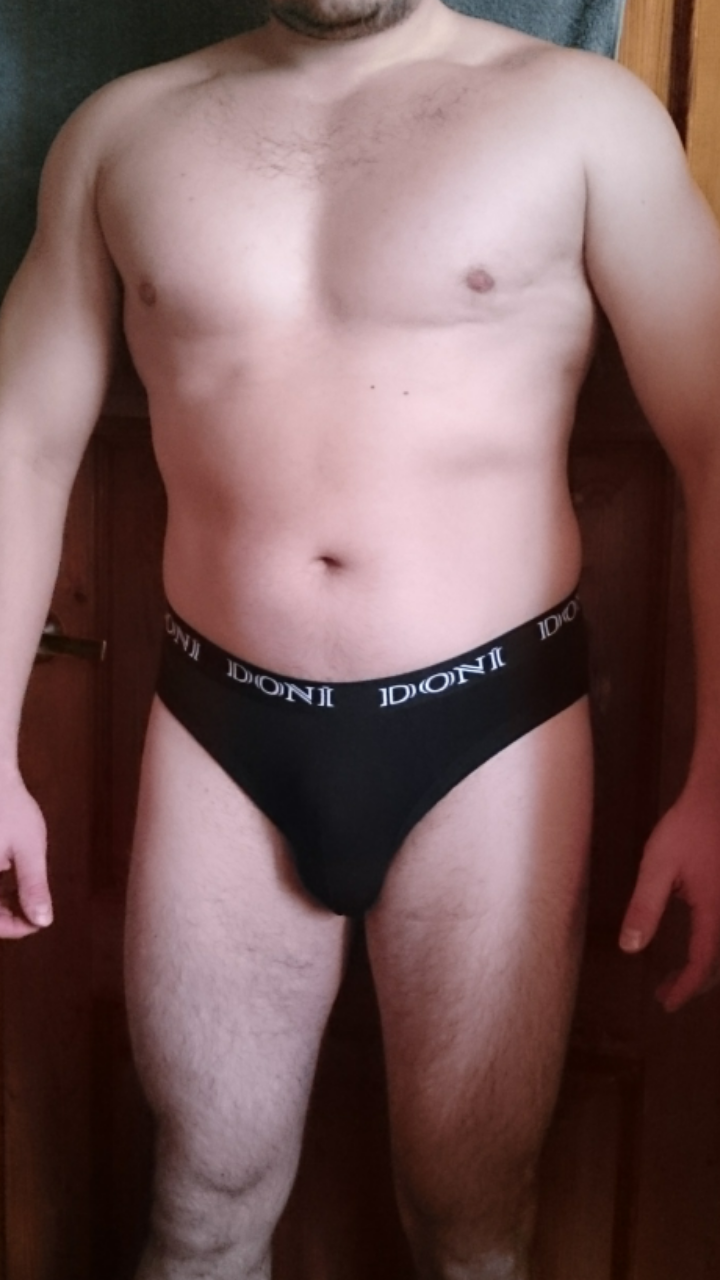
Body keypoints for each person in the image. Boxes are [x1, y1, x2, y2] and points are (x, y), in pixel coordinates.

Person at [1, 0, 720, 1275]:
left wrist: (719, 777)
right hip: (221, 723)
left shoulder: (580, 118)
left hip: (492, 729)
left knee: (471, 1215)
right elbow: (21, 444)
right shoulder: (120, 134)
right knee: (200, 1207)